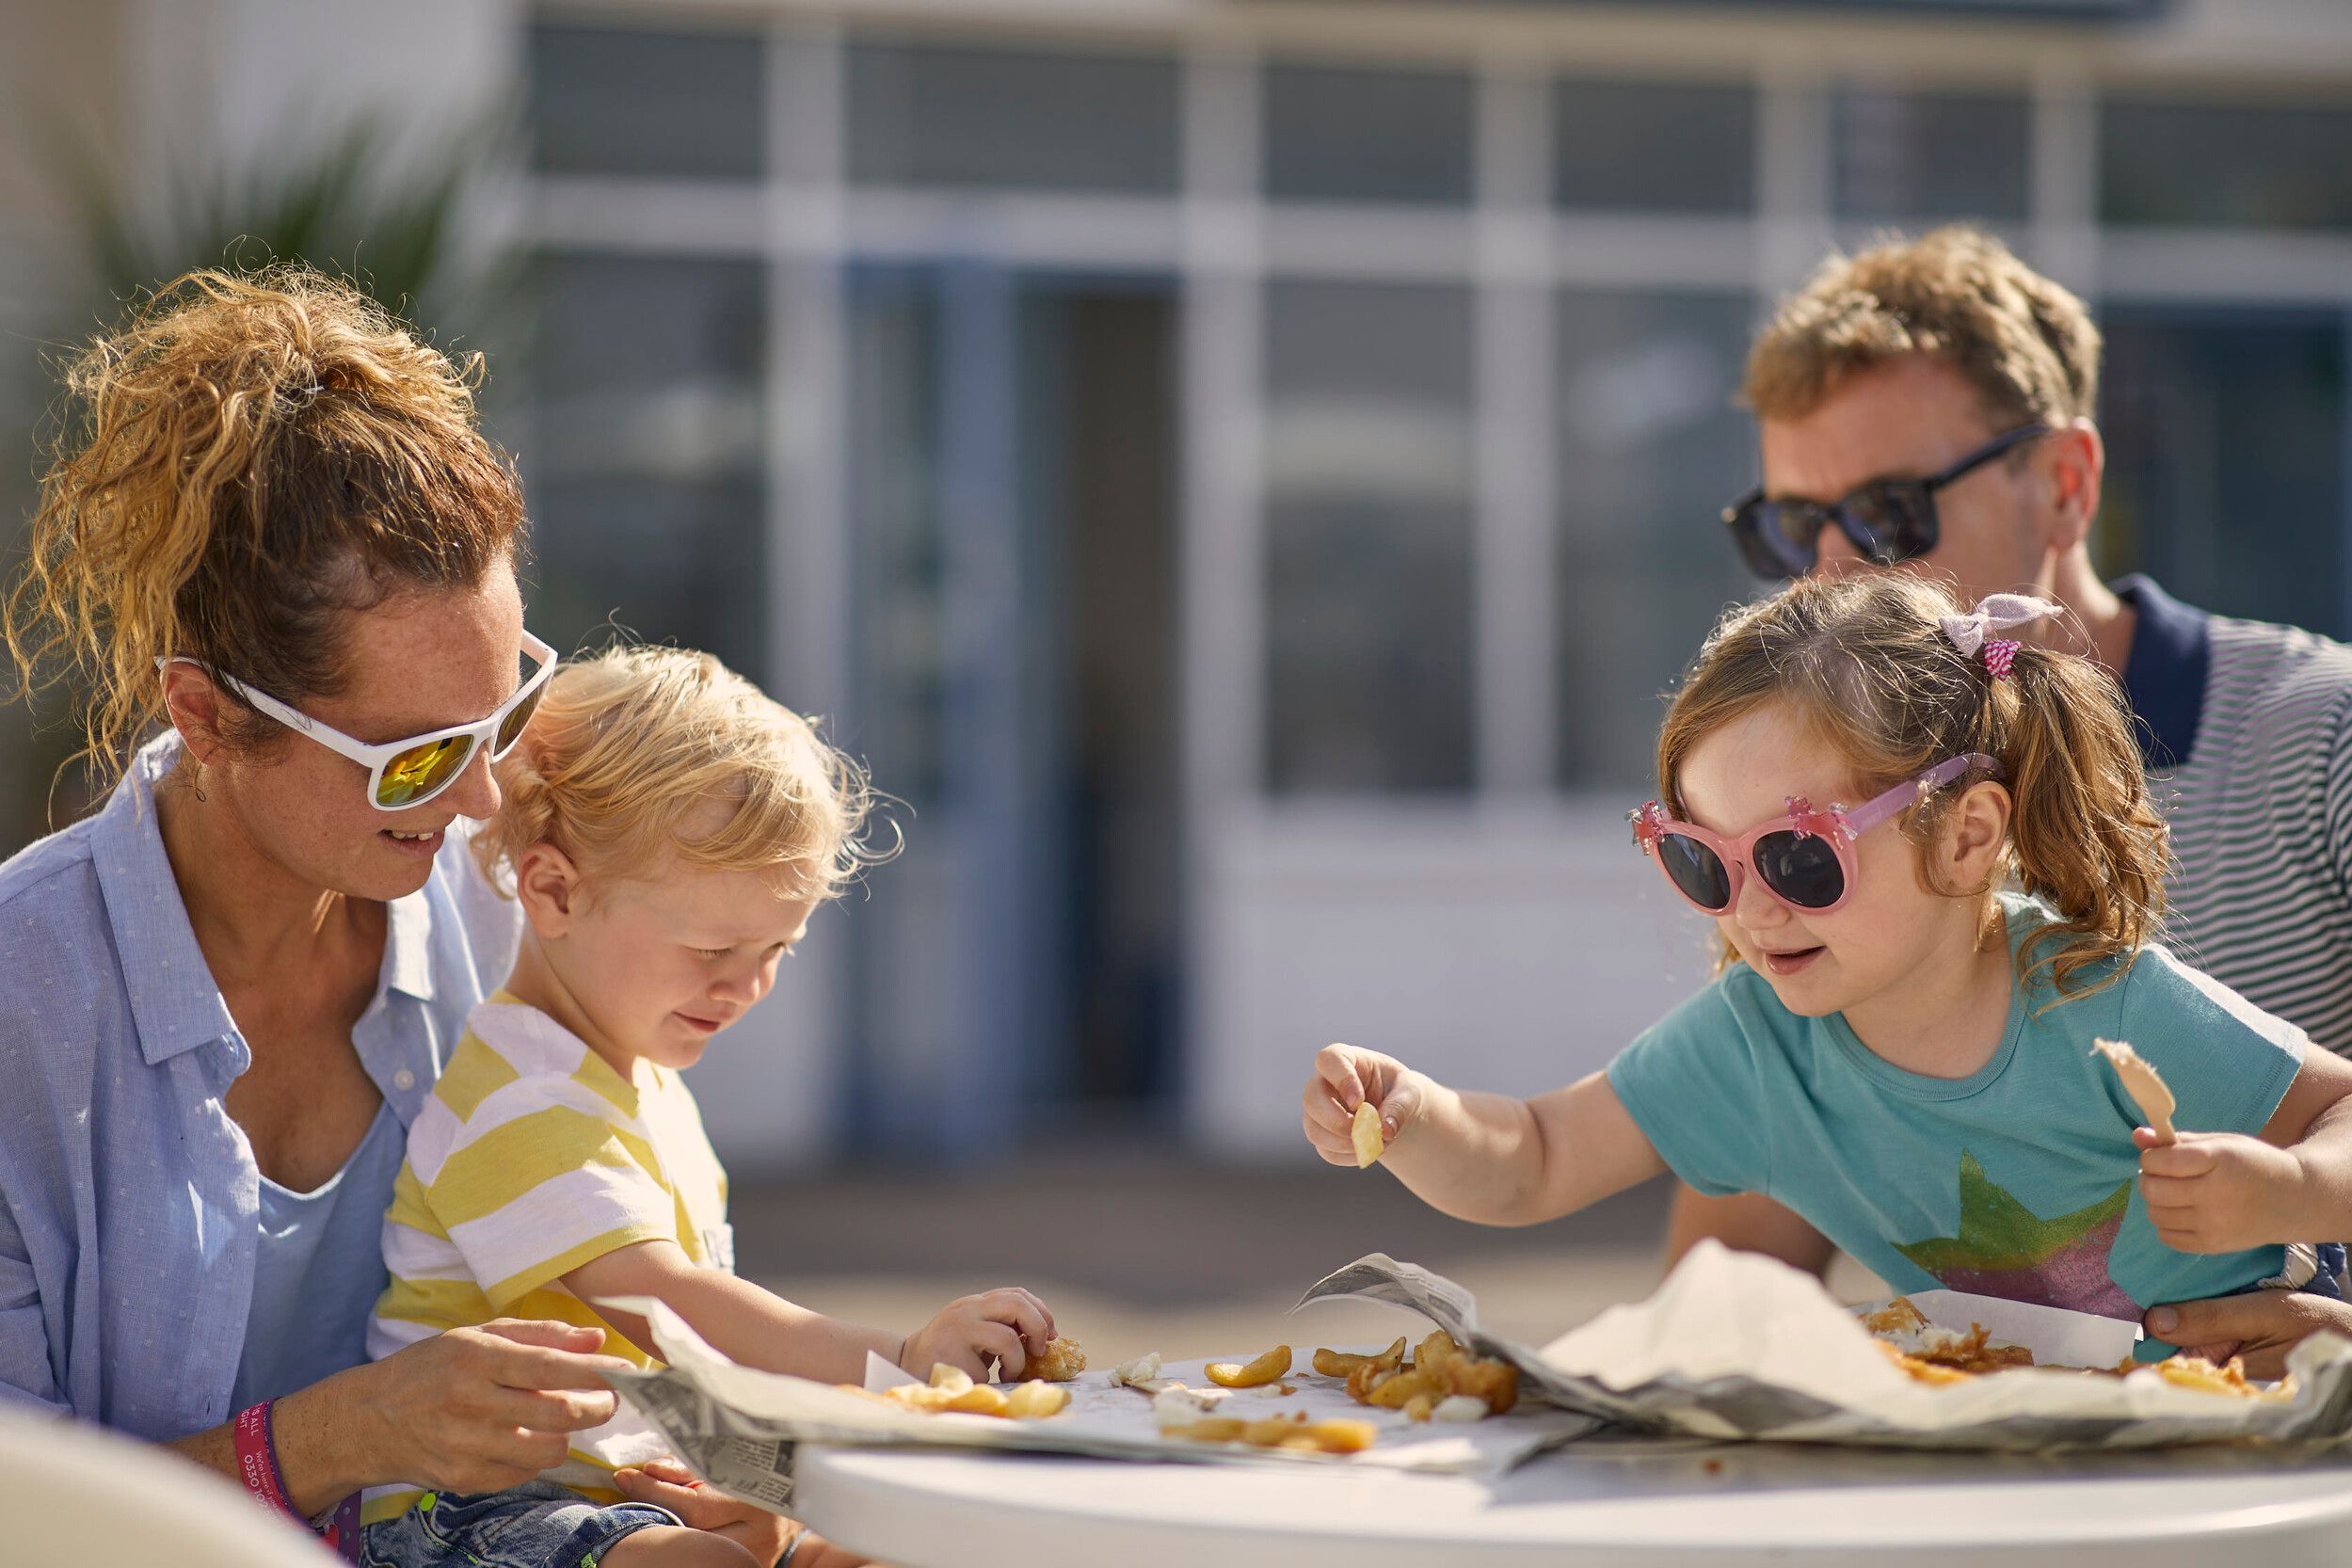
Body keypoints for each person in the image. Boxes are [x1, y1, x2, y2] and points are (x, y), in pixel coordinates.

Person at [0, 269, 847, 1565]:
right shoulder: (25, 997)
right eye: (409, 756)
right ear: (206, 713)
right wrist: (338, 1436)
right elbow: (25, 1506)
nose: (484, 796)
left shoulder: (516, 907)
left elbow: (616, 1321)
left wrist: (753, 1483)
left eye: (499, 716)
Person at [1304, 573, 2352, 1346]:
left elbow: (2337, 1111)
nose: (1751, 911)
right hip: (2016, 1469)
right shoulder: (1760, 1039)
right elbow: (1534, 1156)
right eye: (1700, 861)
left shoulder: (2096, 999)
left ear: (1965, 837)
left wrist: (2293, 1185)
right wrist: (1410, 1114)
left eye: (1799, 855)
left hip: (2234, 1459)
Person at [1680, 226, 2352, 1368]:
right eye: (1795, 525)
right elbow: (1724, 1282)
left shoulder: (2322, 736)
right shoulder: (1818, 815)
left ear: (2066, 484)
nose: (1835, 573)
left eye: (1890, 513)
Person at [359, 646, 1061, 1567]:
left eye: (778, 948)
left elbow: (682, 1382)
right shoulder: (518, 1099)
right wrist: (902, 1355)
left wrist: (777, 1488)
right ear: (555, 891)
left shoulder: (642, 1081)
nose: (748, 985)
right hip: (461, 1510)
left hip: (628, 1494)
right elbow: (675, 1310)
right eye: (711, 949)